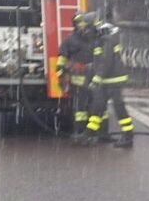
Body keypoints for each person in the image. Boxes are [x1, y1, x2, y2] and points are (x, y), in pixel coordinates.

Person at [81, 18, 134, 148]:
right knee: (98, 106)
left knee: (118, 107)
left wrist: (96, 79)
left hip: (113, 80)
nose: (86, 32)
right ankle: (90, 133)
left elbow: (105, 62)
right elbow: (99, 62)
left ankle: (128, 136)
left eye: (88, 29)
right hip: (106, 80)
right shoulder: (102, 41)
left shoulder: (107, 41)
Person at [57, 12, 100, 140]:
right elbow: (62, 61)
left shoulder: (96, 39)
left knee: (95, 106)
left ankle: (94, 132)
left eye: (84, 23)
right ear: (75, 25)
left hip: (94, 77)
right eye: (79, 23)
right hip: (78, 79)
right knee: (80, 108)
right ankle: (79, 132)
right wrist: (61, 76)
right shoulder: (69, 41)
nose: (82, 25)